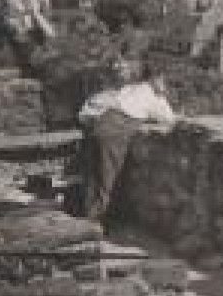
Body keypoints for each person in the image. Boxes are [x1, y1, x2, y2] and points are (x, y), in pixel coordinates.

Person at [76, 64, 177, 232]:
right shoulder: (155, 98)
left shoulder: (132, 88)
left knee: (94, 175)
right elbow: (170, 119)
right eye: (163, 81)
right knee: (108, 179)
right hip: (116, 133)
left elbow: (103, 101)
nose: (164, 85)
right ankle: (94, 225)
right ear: (155, 79)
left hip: (100, 126)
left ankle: (87, 219)